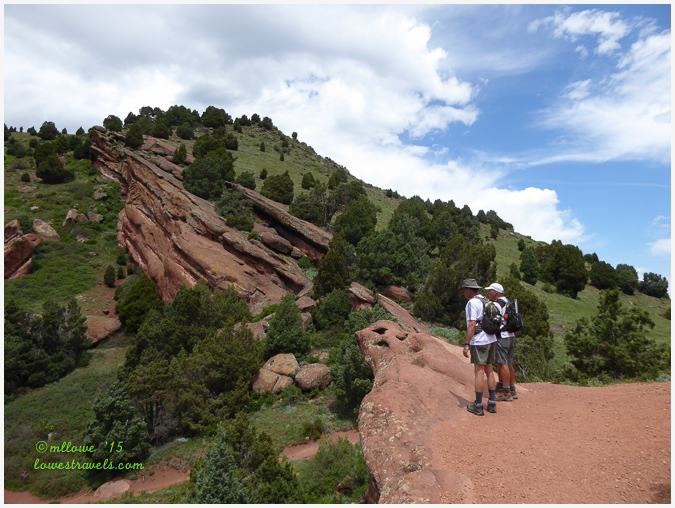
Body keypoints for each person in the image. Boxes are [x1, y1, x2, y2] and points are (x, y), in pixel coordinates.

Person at [461, 278, 498, 416]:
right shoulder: (486, 300)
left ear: (470, 290)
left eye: (464, 289)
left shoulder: (472, 303)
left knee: (479, 371)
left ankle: (478, 405)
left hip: (479, 340)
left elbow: (472, 324)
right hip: (491, 339)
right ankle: (492, 403)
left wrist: (466, 343)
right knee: (489, 370)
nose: (463, 292)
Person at [485, 282, 517, 401]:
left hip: (502, 336)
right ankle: (512, 388)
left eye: (490, 291)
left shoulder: (499, 303)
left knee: (502, 363)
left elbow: (491, 313)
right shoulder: (507, 301)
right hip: (511, 335)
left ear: (496, 293)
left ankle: (506, 391)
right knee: (508, 363)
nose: (488, 293)